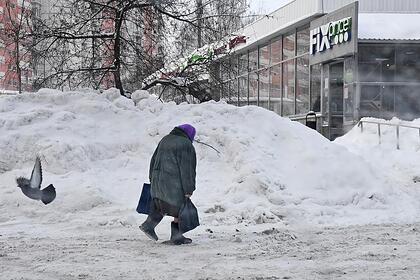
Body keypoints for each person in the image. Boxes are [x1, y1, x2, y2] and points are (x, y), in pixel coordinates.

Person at [140, 124, 197, 245]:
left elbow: (153, 159)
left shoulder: (165, 139)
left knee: (162, 204)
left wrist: (152, 177)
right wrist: (189, 188)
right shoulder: (185, 145)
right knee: (179, 207)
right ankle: (177, 237)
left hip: (158, 178)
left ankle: (148, 225)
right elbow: (187, 169)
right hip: (173, 182)